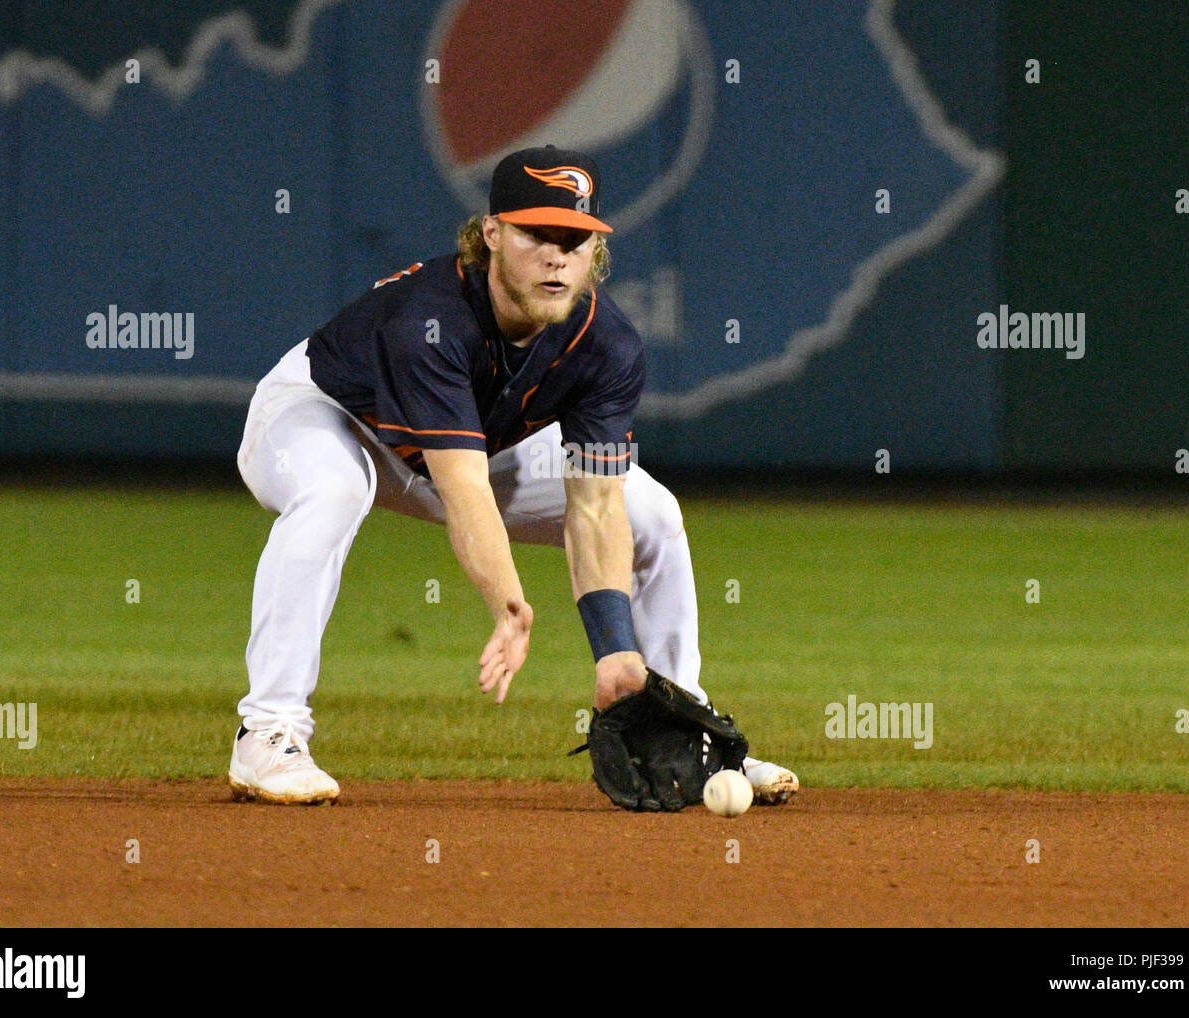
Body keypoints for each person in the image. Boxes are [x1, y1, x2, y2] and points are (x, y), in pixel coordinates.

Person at [227, 145, 798, 807]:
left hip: (472, 445)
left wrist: (614, 649)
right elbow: (462, 487)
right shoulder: (433, 321)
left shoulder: (607, 344)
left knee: (652, 513)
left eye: (575, 239)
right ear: (492, 233)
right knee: (332, 491)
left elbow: (594, 507)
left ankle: (679, 729)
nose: (558, 256)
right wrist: (508, 605)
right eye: (537, 235)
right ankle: (268, 732)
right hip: (327, 416)